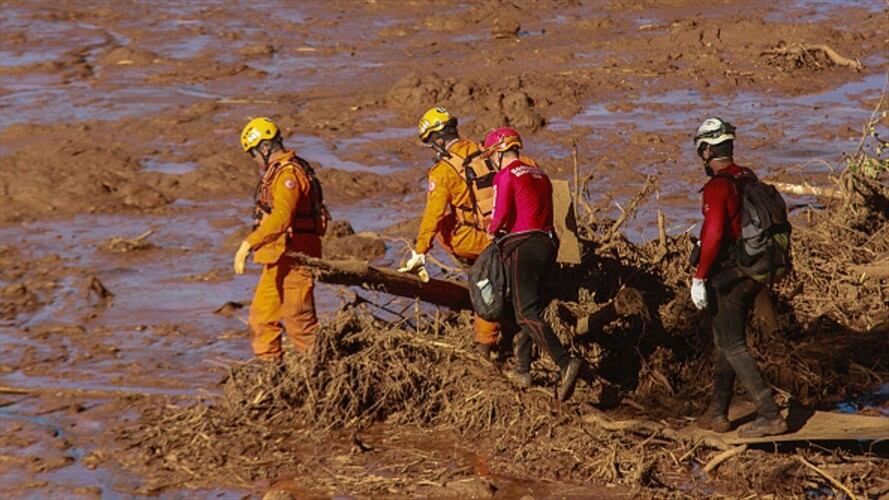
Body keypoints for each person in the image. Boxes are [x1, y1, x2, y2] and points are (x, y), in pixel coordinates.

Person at [690, 117, 788, 438]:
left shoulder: (719, 186)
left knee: (733, 344)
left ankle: (770, 415)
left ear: (706, 151)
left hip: (733, 274)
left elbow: (715, 234)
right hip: (758, 268)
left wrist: (699, 277)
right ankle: (717, 412)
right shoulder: (748, 177)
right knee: (725, 341)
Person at [483, 126, 581, 401]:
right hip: (547, 245)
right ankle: (523, 370)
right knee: (528, 307)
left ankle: (565, 362)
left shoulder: (505, 175)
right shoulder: (540, 174)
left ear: (498, 152)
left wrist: (490, 231)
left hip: (523, 248)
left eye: (491, 156)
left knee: (524, 313)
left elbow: (500, 215)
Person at [398, 106, 502, 358]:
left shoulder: (443, 170)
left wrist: (420, 251)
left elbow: (432, 215)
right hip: (507, 227)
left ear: (439, 140)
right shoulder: (485, 150)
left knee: (482, 281)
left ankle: (485, 344)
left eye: (430, 144)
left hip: (482, 239)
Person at [233, 117, 329, 361]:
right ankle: (270, 375)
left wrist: (249, 243)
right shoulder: (277, 173)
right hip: (278, 258)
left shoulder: (289, 175)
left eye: (253, 154)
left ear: (264, 148)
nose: (254, 160)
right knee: (261, 318)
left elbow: (282, 218)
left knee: (299, 321)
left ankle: (321, 374)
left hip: (298, 257)